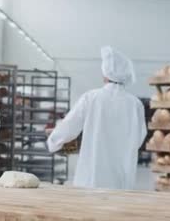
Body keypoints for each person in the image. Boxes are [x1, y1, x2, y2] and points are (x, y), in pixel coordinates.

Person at [46, 46, 146, 189]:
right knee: (118, 208)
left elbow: (69, 125)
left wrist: (53, 142)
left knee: (91, 207)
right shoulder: (135, 104)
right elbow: (139, 138)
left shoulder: (91, 98)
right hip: (122, 178)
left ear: (105, 74)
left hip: (92, 177)